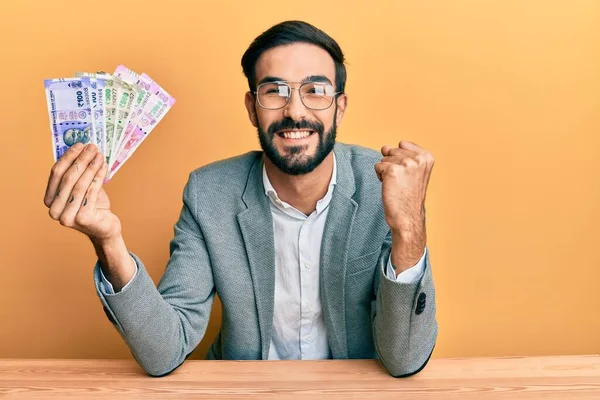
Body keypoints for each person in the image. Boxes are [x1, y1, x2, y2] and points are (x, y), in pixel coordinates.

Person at [43, 20, 438, 377]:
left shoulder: (382, 188)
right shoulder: (209, 192)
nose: (294, 110)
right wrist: (108, 241)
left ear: (340, 107)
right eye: (274, 91)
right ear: (252, 108)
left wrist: (409, 230)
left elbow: (404, 359)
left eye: (316, 91)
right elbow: (164, 351)